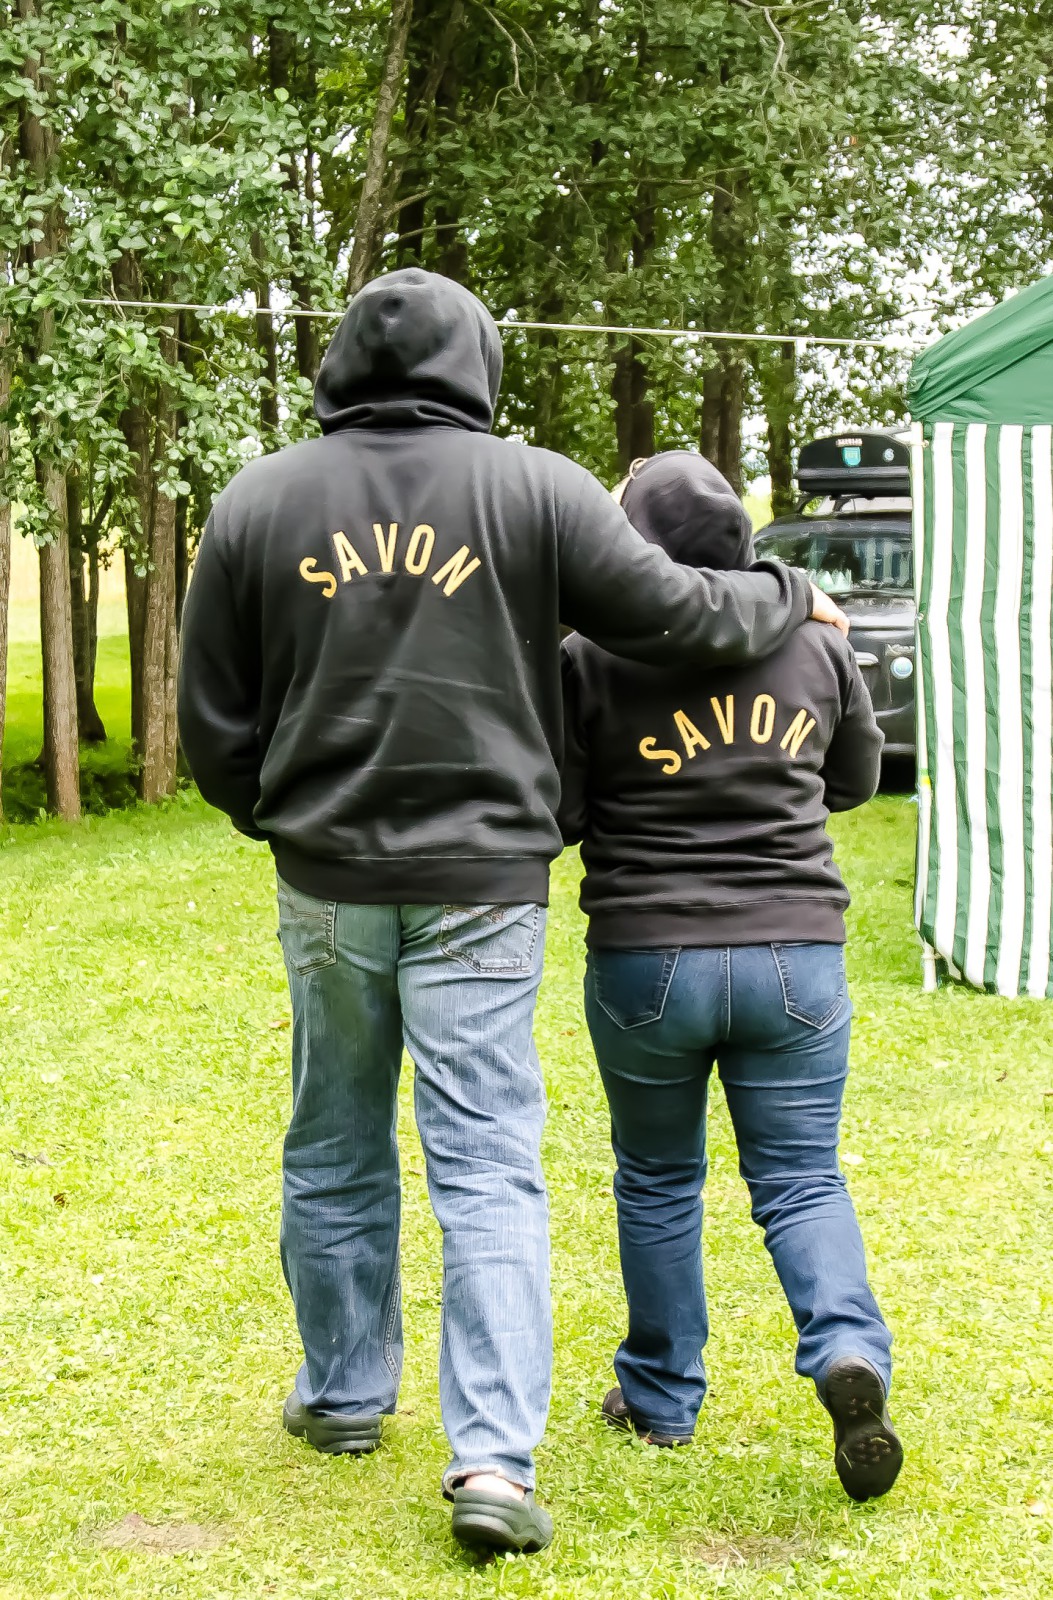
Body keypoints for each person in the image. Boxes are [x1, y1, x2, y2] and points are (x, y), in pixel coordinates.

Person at [177, 269, 847, 1556]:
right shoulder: (537, 487)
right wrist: (784, 594)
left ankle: (345, 1395)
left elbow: (212, 716)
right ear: (476, 362)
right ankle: (492, 1460)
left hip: (327, 880)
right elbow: (679, 612)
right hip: (486, 884)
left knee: (333, 1136)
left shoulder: (258, 498)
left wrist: (281, 815)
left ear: (341, 361)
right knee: (487, 1158)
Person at [559, 451, 902, 1503]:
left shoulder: (589, 654)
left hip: (646, 958)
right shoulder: (819, 640)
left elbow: (562, 810)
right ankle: (849, 1350)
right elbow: (855, 778)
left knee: (659, 1179)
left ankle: (661, 1398)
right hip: (795, 955)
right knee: (802, 1178)